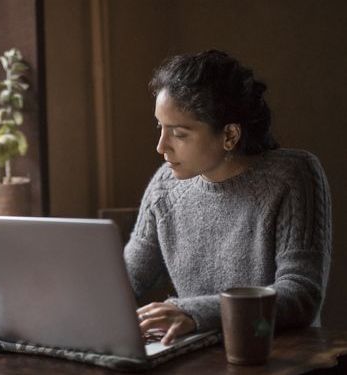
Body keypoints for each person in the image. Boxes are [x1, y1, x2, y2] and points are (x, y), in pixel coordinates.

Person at [125, 50, 332, 346]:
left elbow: (301, 295)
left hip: (277, 356)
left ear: (230, 135)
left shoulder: (293, 175)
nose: (161, 146)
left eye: (179, 134)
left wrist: (191, 312)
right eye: (161, 127)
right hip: (197, 358)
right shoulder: (164, 186)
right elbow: (125, 280)